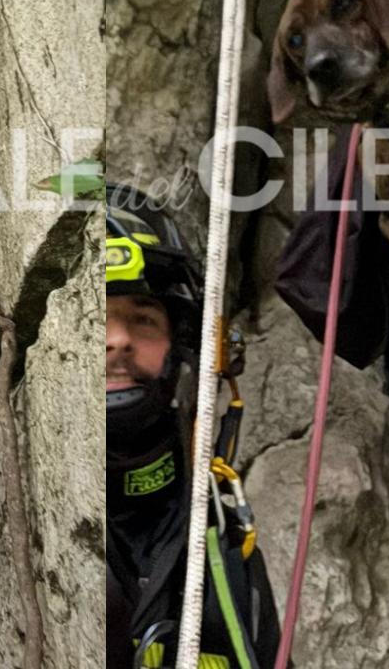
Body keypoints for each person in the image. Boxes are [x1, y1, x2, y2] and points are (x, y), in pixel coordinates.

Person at [105, 183, 283, 669]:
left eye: (143, 319)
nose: (117, 340)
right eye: (94, 318)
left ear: (181, 343)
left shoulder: (222, 542)